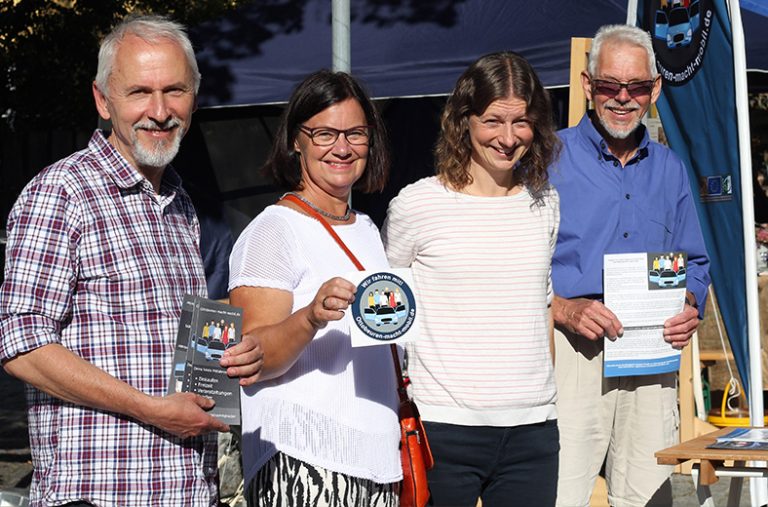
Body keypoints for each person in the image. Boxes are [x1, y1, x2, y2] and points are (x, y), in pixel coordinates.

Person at [0, 15, 263, 507]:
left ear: (194, 98)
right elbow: (21, 344)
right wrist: (152, 410)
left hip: (186, 490)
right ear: (103, 101)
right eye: (140, 91)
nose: (160, 111)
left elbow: (185, 346)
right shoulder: (62, 192)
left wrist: (234, 355)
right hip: (98, 494)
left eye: (175, 91)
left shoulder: (183, 206)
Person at [382, 51, 561, 506]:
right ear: (463, 121)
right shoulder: (417, 204)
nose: (508, 137)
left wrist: (542, 400)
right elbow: (386, 313)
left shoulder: (545, 202)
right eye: (493, 121)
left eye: (521, 122)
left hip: (532, 432)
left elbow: (541, 305)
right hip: (442, 430)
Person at [548, 24, 711, 507]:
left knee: (647, 497)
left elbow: (695, 261)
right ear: (587, 85)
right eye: (608, 86)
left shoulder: (670, 168)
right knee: (561, 494)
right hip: (572, 352)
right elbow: (514, 261)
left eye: (637, 87)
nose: (622, 98)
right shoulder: (547, 159)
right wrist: (561, 308)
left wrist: (687, 303)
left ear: (654, 89)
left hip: (651, 353)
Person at [228, 70, 401, 506]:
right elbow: (252, 359)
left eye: (355, 133)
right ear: (295, 140)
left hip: (376, 459)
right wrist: (310, 317)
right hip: (304, 461)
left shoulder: (365, 227)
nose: (342, 147)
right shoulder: (272, 230)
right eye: (324, 133)